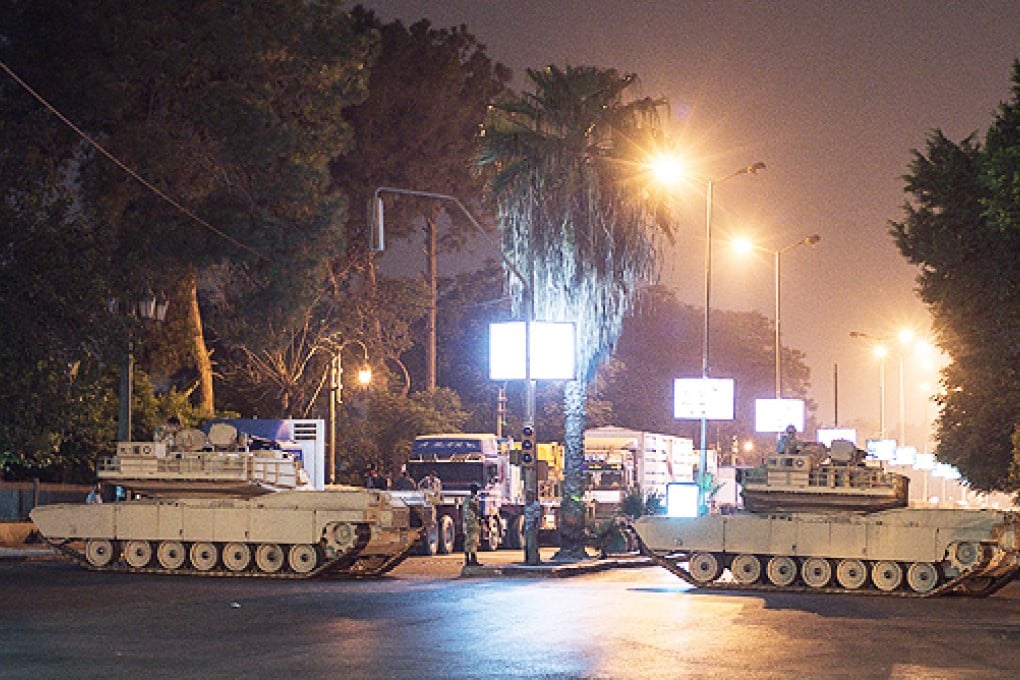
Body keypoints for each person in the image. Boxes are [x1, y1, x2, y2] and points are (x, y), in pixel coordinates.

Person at [462, 482, 482, 567]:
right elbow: (475, 509)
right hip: (473, 521)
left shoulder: (466, 499)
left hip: (467, 521)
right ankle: (473, 560)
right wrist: (480, 518)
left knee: (468, 540)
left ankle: (467, 560)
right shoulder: (473, 499)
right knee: (473, 540)